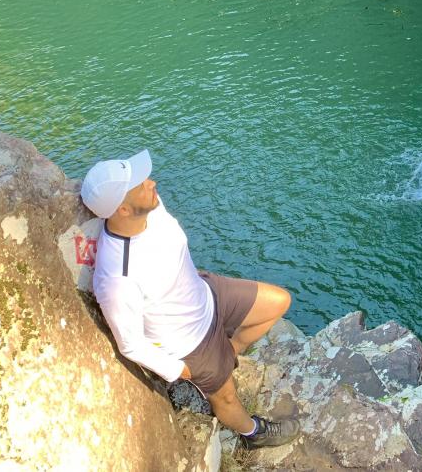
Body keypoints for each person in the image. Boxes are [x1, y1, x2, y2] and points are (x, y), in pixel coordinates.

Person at [80, 149, 300, 449]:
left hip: (206, 293)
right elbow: (130, 343)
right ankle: (252, 433)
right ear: (123, 210)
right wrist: (178, 371)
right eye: (142, 184)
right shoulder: (118, 276)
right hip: (190, 344)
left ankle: (231, 351)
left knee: (279, 302)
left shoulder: (151, 210)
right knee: (226, 397)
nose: (152, 183)